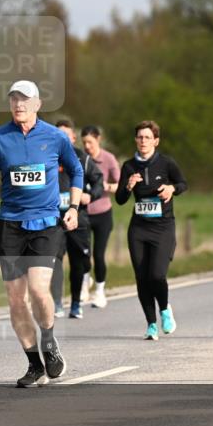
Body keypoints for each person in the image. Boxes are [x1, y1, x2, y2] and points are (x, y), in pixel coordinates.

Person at [0, 80, 83, 387]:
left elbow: (76, 170)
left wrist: (73, 206)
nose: (19, 104)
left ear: (37, 103)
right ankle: (34, 362)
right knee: (15, 299)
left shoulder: (55, 137)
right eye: (14, 99)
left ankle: (48, 339)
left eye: (25, 99)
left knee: (38, 289)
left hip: (46, 222)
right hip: (10, 224)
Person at [115, 121, 187, 341]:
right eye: (139, 137)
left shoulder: (166, 163)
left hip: (163, 227)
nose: (143, 141)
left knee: (156, 274)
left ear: (156, 140)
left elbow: (183, 183)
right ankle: (151, 324)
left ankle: (164, 309)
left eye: (147, 137)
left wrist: (171, 188)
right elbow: (119, 199)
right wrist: (128, 186)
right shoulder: (128, 166)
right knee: (142, 277)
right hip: (138, 228)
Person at [50, 120, 103, 319]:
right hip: (54, 219)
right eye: (58, 134)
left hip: (78, 218)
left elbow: (98, 180)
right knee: (55, 261)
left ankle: (75, 304)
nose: (62, 138)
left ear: (73, 138)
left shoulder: (82, 158)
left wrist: (91, 196)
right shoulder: (48, 155)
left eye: (66, 134)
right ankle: (56, 303)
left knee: (79, 262)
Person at [81, 125, 120, 308]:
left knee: (98, 254)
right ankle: (84, 284)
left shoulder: (109, 159)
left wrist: (103, 186)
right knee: (83, 253)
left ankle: (100, 292)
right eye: (84, 143)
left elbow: (120, 185)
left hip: (103, 213)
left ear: (98, 139)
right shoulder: (81, 159)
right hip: (83, 213)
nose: (87, 146)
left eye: (90, 142)